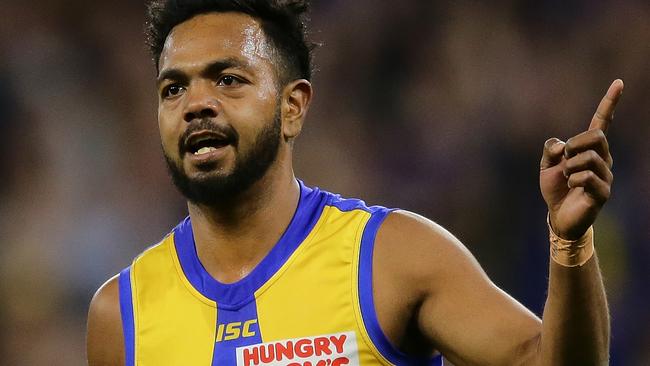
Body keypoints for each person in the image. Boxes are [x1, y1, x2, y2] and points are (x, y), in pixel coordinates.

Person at [86, 1, 623, 365]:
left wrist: (570, 243)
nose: (197, 103)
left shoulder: (394, 258)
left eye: (229, 80)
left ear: (292, 107)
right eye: (173, 88)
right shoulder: (121, 316)